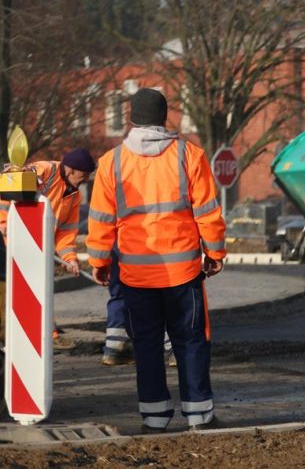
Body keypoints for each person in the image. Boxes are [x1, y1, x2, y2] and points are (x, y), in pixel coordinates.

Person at [87, 88, 227, 433]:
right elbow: (207, 211)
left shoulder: (111, 162)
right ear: (165, 117)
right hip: (183, 272)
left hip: (135, 274)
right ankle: (199, 415)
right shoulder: (190, 155)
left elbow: (101, 219)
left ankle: (154, 417)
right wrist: (215, 253)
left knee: (146, 344)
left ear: (131, 118)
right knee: (190, 341)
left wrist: (99, 261)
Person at [0, 148, 96, 348]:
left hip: (35, 247)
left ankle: (45, 334)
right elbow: (9, 188)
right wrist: (5, 225)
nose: (86, 180)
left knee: (39, 288)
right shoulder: (44, 171)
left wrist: (69, 258)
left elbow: (65, 233)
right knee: (12, 289)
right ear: (71, 170)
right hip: (9, 241)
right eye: (84, 175)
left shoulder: (74, 196)